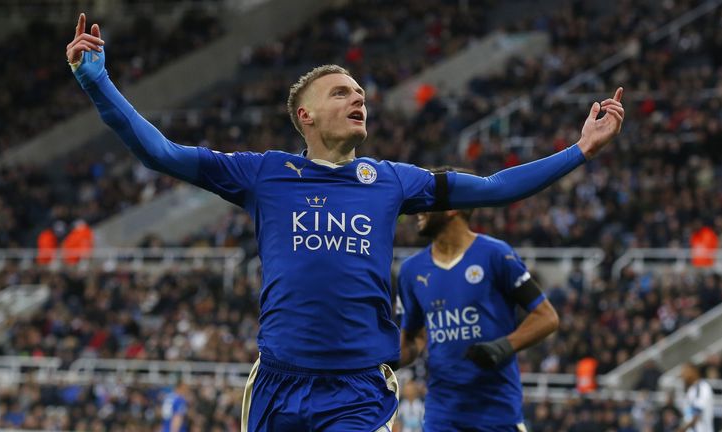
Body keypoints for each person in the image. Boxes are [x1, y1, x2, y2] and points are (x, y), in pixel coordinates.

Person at [66, 13, 624, 431]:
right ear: (304, 115)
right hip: (278, 385)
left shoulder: (392, 180)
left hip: (358, 390)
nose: (358, 98)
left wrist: (579, 151)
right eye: (341, 92)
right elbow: (160, 152)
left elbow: (496, 188)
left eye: (360, 93)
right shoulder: (263, 174)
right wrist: (97, 82)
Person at [397, 204, 559, 431]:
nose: (419, 210)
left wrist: (502, 347)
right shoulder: (411, 270)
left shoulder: (495, 254)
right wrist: (379, 359)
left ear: (453, 208)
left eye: (428, 203)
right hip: (442, 413)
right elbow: (414, 340)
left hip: (496, 410)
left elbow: (547, 317)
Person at [678, 362, 714, 432]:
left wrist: (681, 429)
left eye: (685, 372)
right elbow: (688, 415)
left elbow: (696, 414)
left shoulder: (702, 387)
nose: (683, 376)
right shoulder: (691, 390)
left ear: (693, 372)